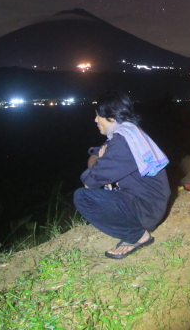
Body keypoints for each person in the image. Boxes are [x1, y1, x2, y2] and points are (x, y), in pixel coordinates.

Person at [73, 91, 171, 259]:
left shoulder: (123, 141)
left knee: (82, 197)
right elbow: (97, 153)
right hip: (148, 203)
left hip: (145, 209)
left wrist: (98, 162)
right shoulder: (129, 133)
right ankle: (136, 230)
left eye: (98, 116)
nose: (95, 120)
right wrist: (99, 160)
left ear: (111, 117)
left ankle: (137, 235)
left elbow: (90, 182)